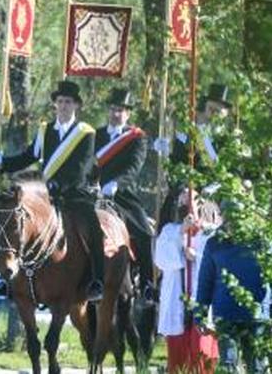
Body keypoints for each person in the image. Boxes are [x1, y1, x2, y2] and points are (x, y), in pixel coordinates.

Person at [0, 80, 105, 302]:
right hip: (46, 195)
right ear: (55, 104)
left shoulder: (86, 133)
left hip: (75, 194)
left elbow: (81, 167)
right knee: (16, 224)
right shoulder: (45, 130)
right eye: (60, 101)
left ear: (76, 105)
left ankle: (96, 281)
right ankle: (12, 281)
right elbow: (29, 156)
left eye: (68, 102)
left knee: (93, 228)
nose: (63, 106)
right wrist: (4, 162)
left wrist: (58, 185)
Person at [93, 88, 155, 297]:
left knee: (145, 233)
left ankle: (147, 284)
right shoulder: (96, 135)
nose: (115, 114)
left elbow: (133, 167)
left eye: (120, 110)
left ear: (128, 114)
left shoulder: (137, 138)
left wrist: (116, 184)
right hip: (94, 192)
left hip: (122, 195)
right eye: (112, 109)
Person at [196, 205, 271, 373]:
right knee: (230, 365)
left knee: (257, 366)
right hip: (227, 314)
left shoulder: (261, 241)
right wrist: (200, 313)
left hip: (256, 315)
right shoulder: (214, 243)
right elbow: (205, 281)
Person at [155, 189, 220, 373]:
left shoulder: (210, 233)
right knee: (177, 359)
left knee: (201, 354)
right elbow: (161, 259)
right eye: (182, 200)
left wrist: (196, 257)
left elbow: (217, 264)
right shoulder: (169, 230)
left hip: (201, 301)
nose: (186, 204)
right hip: (177, 302)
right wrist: (181, 233)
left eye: (190, 200)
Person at [155, 83, 231, 224]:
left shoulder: (226, 141)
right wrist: (164, 152)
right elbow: (175, 163)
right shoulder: (187, 133)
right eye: (211, 109)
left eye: (218, 112)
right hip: (184, 191)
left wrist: (212, 188)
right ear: (205, 108)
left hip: (211, 196)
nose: (214, 115)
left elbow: (226, 172)